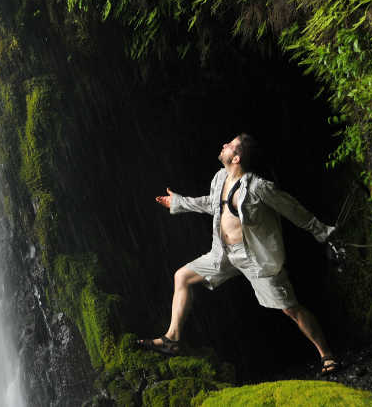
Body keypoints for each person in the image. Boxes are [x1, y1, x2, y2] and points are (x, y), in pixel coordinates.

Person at [138, 133, 340, 375]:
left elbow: (292, 209)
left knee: (290, 308)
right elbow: (211, 203)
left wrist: (323, 232)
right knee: (181, 276)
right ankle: (172, 339)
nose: (223, 145)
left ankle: (327, 355)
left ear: (237, 157)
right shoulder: (220, 177)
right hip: (223, 254)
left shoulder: (259, 187)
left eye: (229, 145)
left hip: (254, 257)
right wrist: (179, 203)